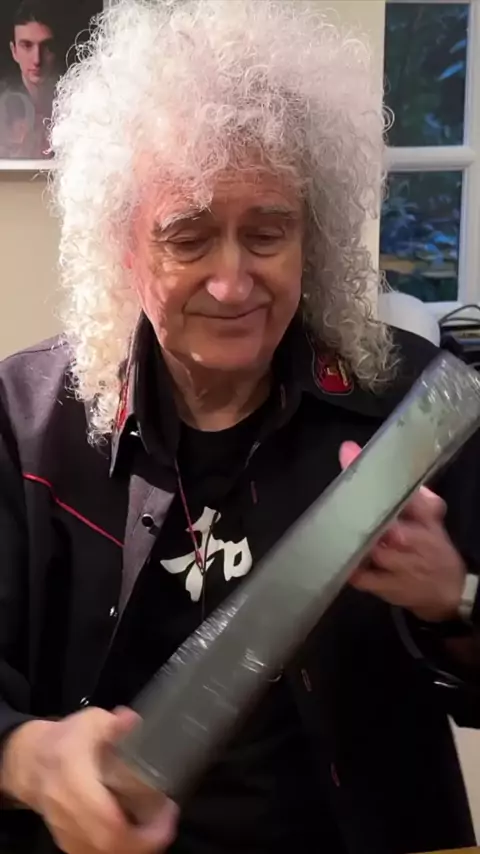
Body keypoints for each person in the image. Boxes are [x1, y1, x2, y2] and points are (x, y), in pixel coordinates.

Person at [0, 1, 479, 852]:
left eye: (267, 233)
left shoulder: (410, 408)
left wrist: (455, 599)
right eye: (188, 238)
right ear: (125, 249)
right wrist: (30, 758)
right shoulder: (24, 423)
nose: (232, 283)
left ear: (310, 238)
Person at [0, 0, 59, 158]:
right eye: (26, 45)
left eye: (46, 47)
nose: (37, 60)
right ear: (14, 51)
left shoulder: (77, 103)